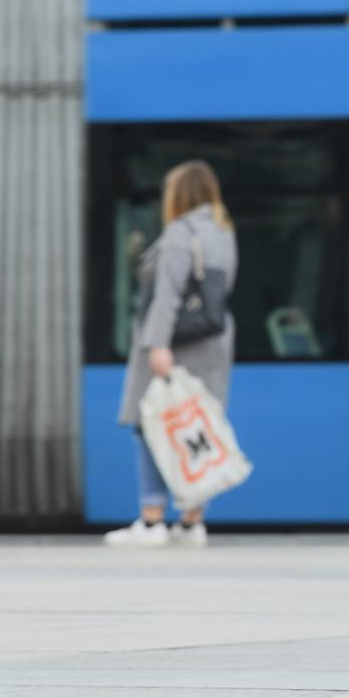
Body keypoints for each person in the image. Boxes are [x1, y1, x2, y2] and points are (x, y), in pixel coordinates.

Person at [105, 160, 238, 548]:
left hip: (177, 343)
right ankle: (192, 521)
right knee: (198, 425)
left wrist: (157, 344)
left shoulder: (182, 233)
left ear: (179, 194)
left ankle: (151, 521)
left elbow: (168, 295)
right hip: (213, 342)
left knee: (151, 423)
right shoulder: (222, 230)